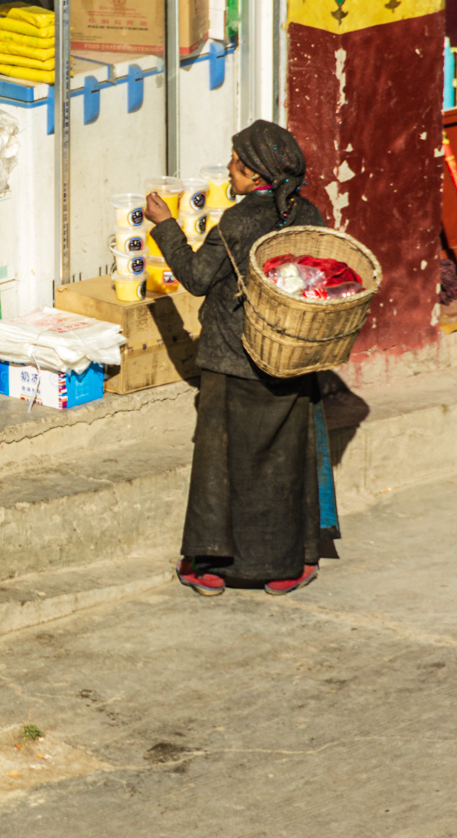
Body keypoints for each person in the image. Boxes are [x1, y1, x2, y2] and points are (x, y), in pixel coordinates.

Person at [147, 120, 328, 598]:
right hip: (290, 358)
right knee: (283, 464)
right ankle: (286, 567)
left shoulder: (238, 221)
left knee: (219, 467)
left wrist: (164, 224)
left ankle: (207, 567)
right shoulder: (309, 214)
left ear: (253, 174)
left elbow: (196, 279)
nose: (229, 167)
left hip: (232, 360)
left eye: (235, 162)